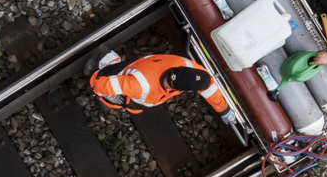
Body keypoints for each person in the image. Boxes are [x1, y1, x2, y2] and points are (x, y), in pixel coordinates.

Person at [89, 50, 236, 123]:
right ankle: (102, 64)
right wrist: (106, 94)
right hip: (121, 82)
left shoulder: (188, 67)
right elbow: (100, 84)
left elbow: (208, 86)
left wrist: (223, 109)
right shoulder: (140, 86)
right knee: (111, 98)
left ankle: (111, 59)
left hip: (141, 69)